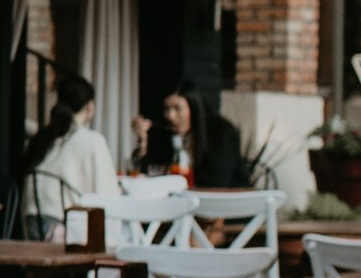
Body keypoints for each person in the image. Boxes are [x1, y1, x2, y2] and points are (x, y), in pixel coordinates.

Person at [23, 71, 122, 227]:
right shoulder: (92, 140)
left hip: (31, 223)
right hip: (66, 227)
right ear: (90, 106)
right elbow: (108, 197)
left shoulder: (43, 137)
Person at [131, 79, 247, 189]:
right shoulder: (167, 134)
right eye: (167, 109)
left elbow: (218, 181)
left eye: (177, 108)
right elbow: (149, 173)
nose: (170, 116)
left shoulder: (221, 132)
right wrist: (143, 139)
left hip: (226, 199)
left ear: (193, 108)